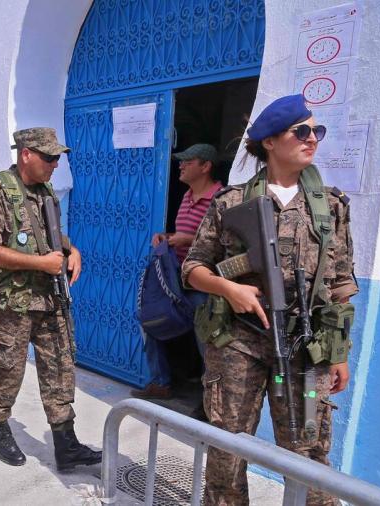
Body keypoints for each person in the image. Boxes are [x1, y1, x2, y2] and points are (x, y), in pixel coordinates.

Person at [182, 94, 356, 506]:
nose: (312, 138)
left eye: (317, 131)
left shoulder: (330, 206)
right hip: (239, 343)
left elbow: (342, 281)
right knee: (227, 449)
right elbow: (192, 268)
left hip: (307, 345)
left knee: (309, 455)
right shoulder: (231, 203)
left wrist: (339, 351)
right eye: (301, 131)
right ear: (269, 142)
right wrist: (230, 288)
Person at [0, 127, 101, 470]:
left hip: (50, 297)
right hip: (13, 302)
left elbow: (51, 232)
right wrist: (41, 263)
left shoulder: (46, 191)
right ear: (26, 154)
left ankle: (65, 443)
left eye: (57, 158)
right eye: (49, 157)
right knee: (8, 368)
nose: (55, 164)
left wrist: (71, 250)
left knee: (60, 366)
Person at [133, 144, 222, 402]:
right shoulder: (186, 197)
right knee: (149, 320)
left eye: (188, 161)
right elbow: (183, 234)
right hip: (174, 279)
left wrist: (188, 240)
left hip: (202, 284)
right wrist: (168, 236)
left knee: (206, 342)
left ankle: (209, 402)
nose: (180, 166)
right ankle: (160, 383)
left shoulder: (221, 198)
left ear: (205, 166)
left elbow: (225, 244)